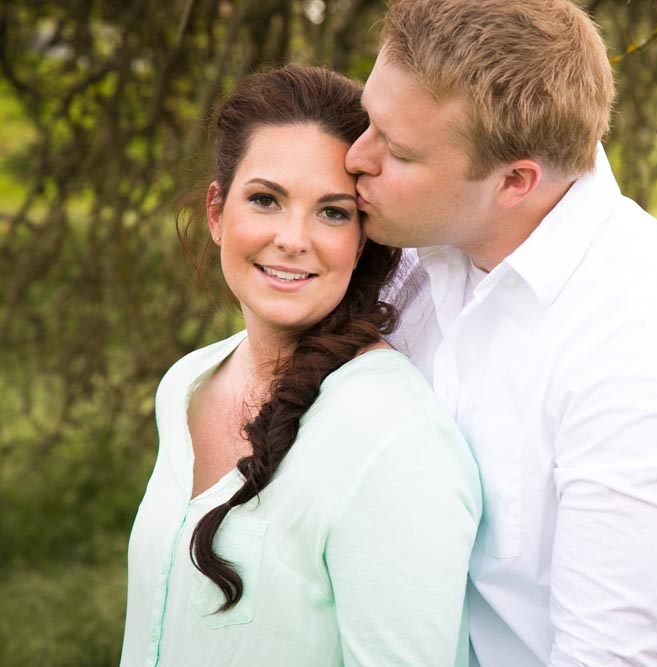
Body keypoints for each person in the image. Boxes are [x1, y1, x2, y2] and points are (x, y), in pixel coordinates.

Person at [345, 1, 657, 666]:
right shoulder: (416, 254)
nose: (354, 157)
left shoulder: (651, 353)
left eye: (396, 150)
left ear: (515, 181)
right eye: (369, 121)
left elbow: (609, 657)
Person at [119, 65, 481, 667]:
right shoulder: (186, 384)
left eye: (332, 212)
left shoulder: (395, 439)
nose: (293, 238)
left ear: (363, 239)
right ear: (217, 211)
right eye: (265, 199)